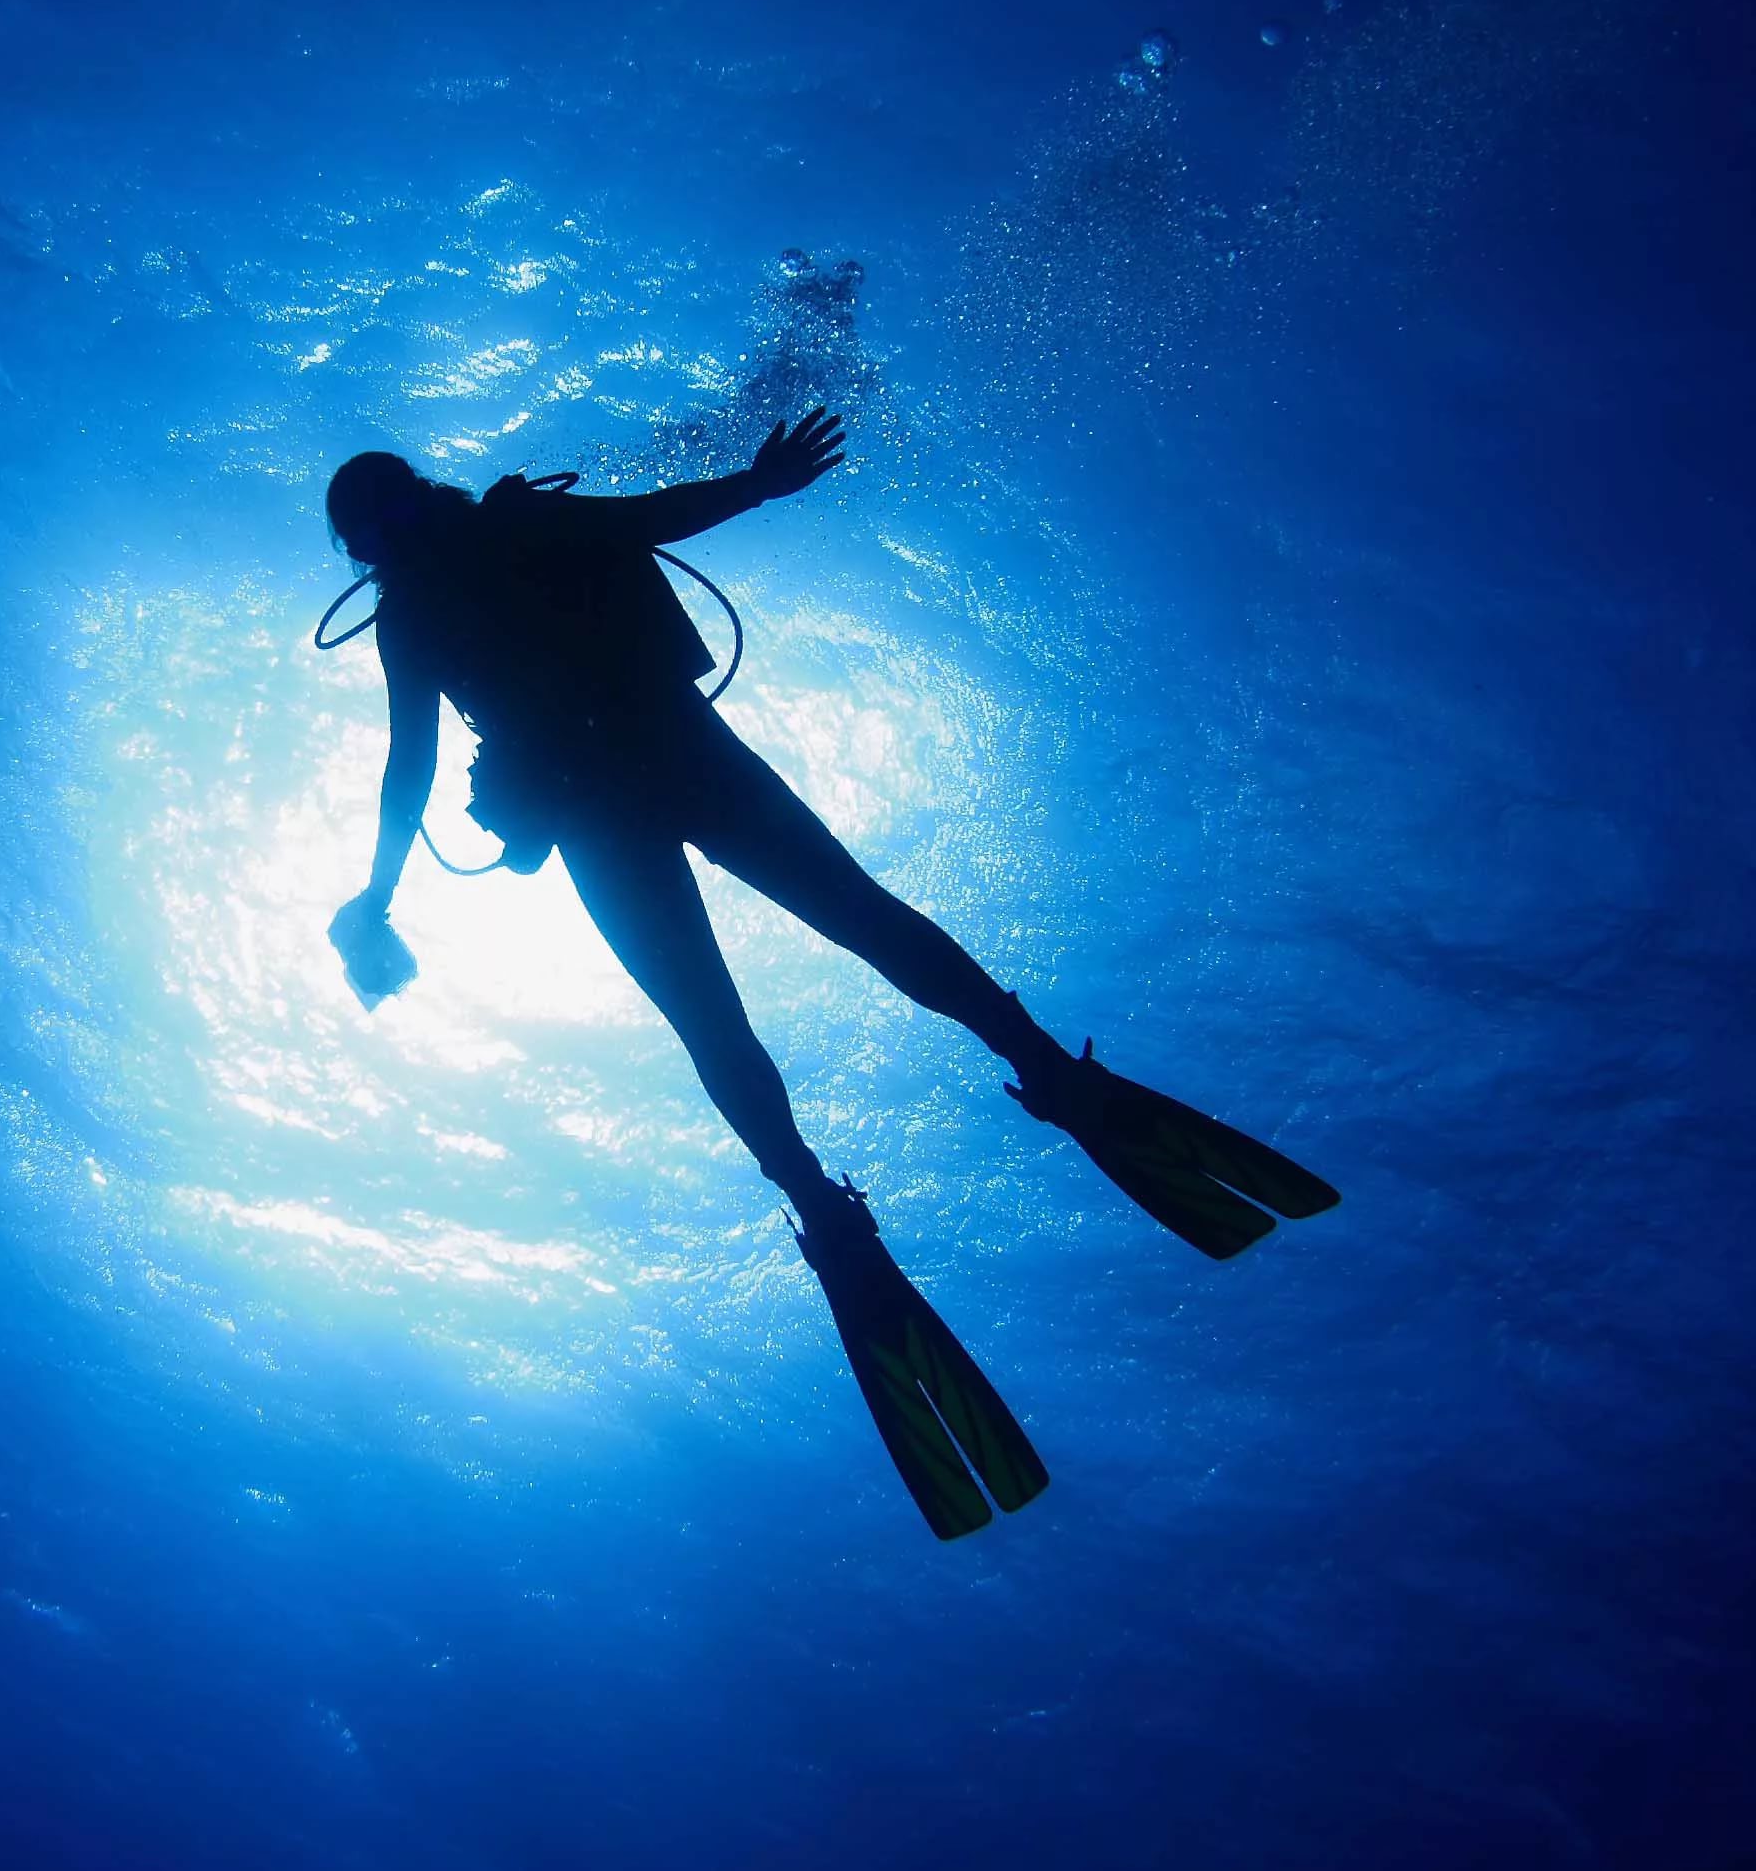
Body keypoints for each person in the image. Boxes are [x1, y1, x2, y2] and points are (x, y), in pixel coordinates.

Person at [317, 412, 1338, 1537]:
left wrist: (757, 487)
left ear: (418, 503)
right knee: (719, 1012)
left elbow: (645, 521)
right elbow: (408, 755)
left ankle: (1031, 1067)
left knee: (846, 927)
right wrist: (378, 891)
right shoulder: (415, 617)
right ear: (368, 553)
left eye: (400, 514)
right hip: (612, 792)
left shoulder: (504, 532)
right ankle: (828, 1187)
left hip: (650, 765)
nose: (401, 540)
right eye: (382, 533)